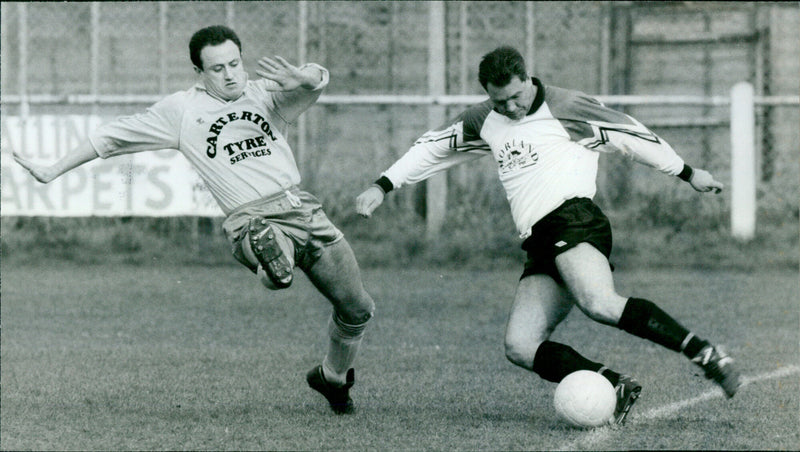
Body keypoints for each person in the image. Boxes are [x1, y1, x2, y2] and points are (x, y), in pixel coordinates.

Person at [356, 46, 741, 424]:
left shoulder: (567, 107)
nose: (509, 107)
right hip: (540, 238)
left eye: (515, 97)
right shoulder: (484, 118)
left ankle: (706, 355)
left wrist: (687, 173)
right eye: (498, 100)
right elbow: (431, 148)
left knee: (599, 302)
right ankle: (615, 384)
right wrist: (383, 185)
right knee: (520, 346)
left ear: (528, 78)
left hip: (574, 219)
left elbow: (631, 135)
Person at [14, 25, 374, 415]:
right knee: (272, 254)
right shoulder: (182, 111)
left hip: (303, 208)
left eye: (235, 63)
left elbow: (315, 83)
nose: (230, 74)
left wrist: (307, 77)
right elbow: (112, 137)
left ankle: (332, 378)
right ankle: (271, 261)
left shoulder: (264, 94)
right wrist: (53, 170)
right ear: (199, 74)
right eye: (217, 69)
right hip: (251, 216)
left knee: (357, 308)